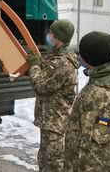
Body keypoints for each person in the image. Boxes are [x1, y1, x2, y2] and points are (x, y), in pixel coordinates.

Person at [64, 31, 110, 172]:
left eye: (81, 53)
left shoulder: (100, 96)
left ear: (90, 59)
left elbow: (97, 154)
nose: (79, 56)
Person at [26, 19, 78, 172]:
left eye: (51, 34)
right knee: (45, 160)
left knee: (53, 164)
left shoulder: (61, 62)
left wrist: (34, 66)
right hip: (51, 120)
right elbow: (45, 74)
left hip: (55, 122)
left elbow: (41, 86)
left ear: (58, 38)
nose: (48, 36)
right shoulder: (56, 57)